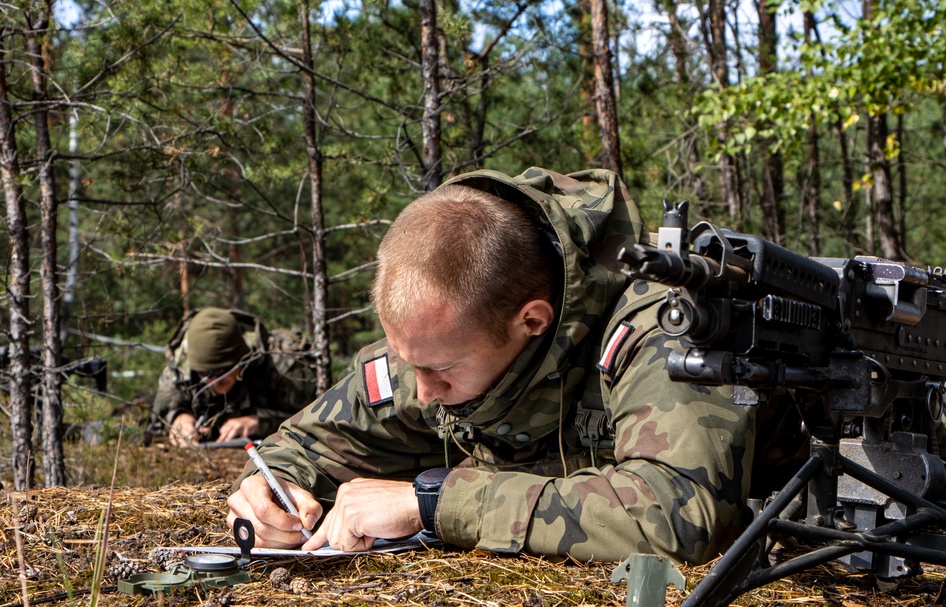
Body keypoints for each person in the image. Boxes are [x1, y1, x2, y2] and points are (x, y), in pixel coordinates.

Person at [227, 167, 768, 564]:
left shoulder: (665, 325)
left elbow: (682, 512)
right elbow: (300, 446)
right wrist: (273, 492)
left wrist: (435, 502)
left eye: (440, 369)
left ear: (531, 321)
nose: (424, 390)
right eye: (408, 361)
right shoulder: (436, 350)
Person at [150, 307, 317, 447]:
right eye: (205, 373)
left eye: (223, 371)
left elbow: (311, 423)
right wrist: (178, 417)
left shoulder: (282, 366)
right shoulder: (180, 369)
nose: (214, 380)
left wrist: (259, 422)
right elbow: (159, 415)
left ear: (243, 361)